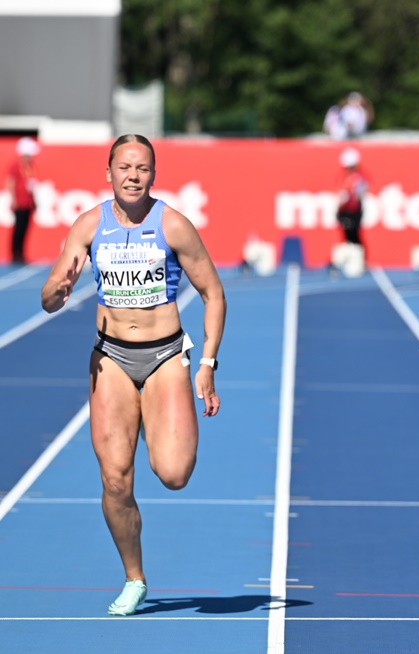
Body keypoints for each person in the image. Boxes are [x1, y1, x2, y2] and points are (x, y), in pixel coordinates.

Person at [40, 134, 227, 615]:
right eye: (124, 167)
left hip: (165, 358)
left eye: (142, 168)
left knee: (174, 473)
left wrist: (206, 364)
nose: (132, 175)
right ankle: (134, 578)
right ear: (109, 173)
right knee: (116, 481)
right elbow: (48, 297)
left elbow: (214, 295)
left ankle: (157, 419)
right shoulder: (88, 225)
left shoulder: (174, 226)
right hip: (111, 361)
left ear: (153, 175)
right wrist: (59, 291)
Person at [7, 136, 41, 264]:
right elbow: (10, 182)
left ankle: (21, 253)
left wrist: (34, 201)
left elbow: (31, 185)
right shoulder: (16, 166)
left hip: (28, 203)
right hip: (20, 202)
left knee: (25, 229)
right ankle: (15, 253)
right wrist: (13, 199)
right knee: (18, 229)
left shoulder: (30, 166)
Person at [336, 147, 369, 246]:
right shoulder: (345, 177)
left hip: (353, 211)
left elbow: (359, 194)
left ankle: (357, 256)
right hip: (345, 210)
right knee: (347, 236)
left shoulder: (358, 178)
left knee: (354, 235)